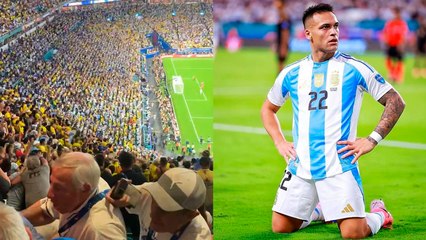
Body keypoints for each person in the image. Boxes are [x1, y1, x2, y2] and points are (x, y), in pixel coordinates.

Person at [260, 3, 405, 238]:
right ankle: (321, 210)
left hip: (339, 165)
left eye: (336, 26)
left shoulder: (354, 68)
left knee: (353, 233)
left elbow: (396, 101)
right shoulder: (292, 72)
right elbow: (268, 109)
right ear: (308, 33)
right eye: (325, 27)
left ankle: (380, 214)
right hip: (301, 165)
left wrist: (372, 139)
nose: (333, 32)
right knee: (281, 227)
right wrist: (280, 142)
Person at [21, 152, 126, 239]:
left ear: (85, 189)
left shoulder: (100, 232)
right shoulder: (87, 179)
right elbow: (45, 212)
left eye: (58, 188)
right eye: (51, 182)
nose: (49, 194)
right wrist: (12, 219)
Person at [107, 167, 211, 240]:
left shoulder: (198, 237)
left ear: (189, 216)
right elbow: (120, 193)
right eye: (155, 200)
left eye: (165, 209)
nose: (153, 214)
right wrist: (117, 192)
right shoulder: (148, 192)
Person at [382, 6, 409, 83]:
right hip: (390, 44)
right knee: (388, 59)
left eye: (396, 13)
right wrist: (385, 41)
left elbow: (404, 34)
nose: (395, 15)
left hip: (398, 45)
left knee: (399, 60)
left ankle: (398, 76)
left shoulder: (402, 23)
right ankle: (392, 73)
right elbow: (385, 33)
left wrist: (402, 44)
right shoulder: (390, 23)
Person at [274, 0, 292, 72]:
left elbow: (285, 32)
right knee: (279, 63)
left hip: (282, 44)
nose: (275, 3)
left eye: (277, 1)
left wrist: (283, 46)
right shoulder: (281, 15)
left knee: (281, 63)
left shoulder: (284, 16)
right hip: (280, 43)